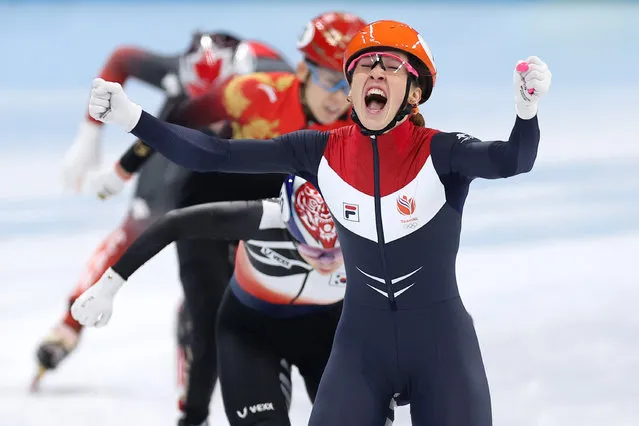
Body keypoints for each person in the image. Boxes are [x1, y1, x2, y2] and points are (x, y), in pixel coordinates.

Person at [83, 18, 551, 426]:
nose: (375, 73)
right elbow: (215, 155)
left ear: (414, 92)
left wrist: (526, 112)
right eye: (364, 66)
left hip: (441, 348)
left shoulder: (441, 151)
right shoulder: (318, 151)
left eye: (390, 66)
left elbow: (513, 160)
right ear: (351, 89)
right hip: (359, 349)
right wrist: (134, 119)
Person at [41, 11, 368, 426]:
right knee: (156, 237)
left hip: (282, 204)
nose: (338, 97)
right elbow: (174, 124)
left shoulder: (356, 117)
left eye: (348, 86)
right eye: (330, 82)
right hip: (215, 180)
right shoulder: (252, 92)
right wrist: (121, 170)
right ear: (303, 72)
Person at [71, 175, 346, 426]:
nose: (327, 261)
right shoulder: (261, 217)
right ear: (286, 224)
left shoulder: (370, 233)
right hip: (252, 336)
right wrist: (108, 286)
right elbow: (173, 223)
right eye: (314, 250)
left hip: (325, 337)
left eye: (336, 252)